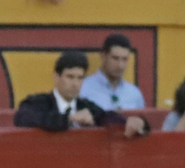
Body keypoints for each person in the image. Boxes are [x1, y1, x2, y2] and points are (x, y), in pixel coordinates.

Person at [14, 51, 148, 136]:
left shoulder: (85, 106)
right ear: (56, 77)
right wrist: (69, 118)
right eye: (70, 77)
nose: (75, 83)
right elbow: (22, 118)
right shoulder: (38, 102)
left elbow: (107, 117)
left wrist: (137, 122)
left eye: (80, 78)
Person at [80, 33, 147, 112]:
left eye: (124, 59)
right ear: (103, 56)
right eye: (115, 58)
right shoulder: (83, 89)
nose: (120, 65)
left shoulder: (134, 94)